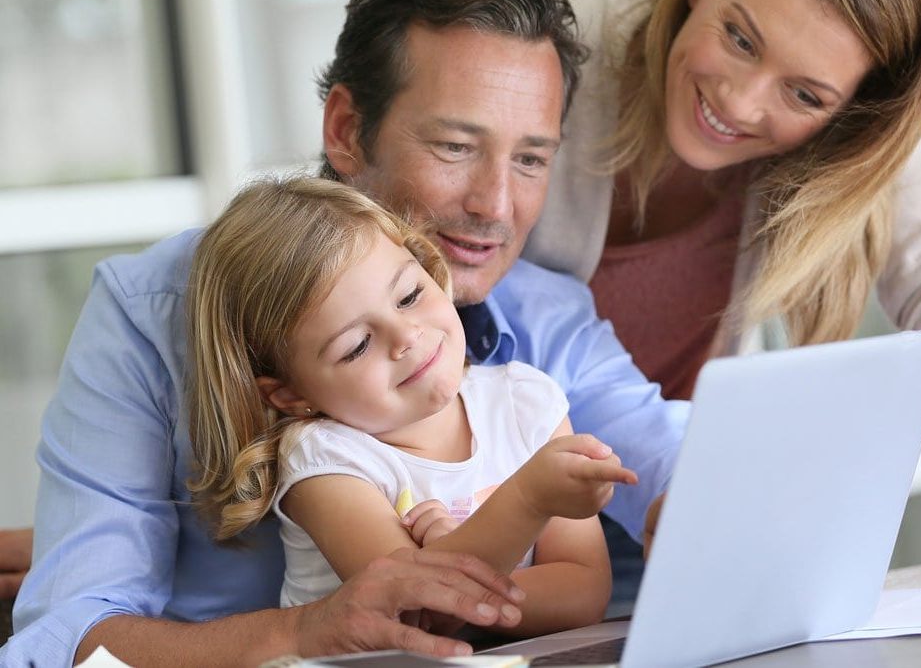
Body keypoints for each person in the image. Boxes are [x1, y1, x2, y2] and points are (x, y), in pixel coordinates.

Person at [2, 0, 687, 665]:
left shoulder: (545, 325)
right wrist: (303, 630)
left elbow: (675, 468)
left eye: (531, 158)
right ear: (345, 130)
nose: (496, 205)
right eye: (455, 146)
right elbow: (68, 641)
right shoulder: (150, 313)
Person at [524, 0, 921, 577]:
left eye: (805, 95)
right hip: (488, 503)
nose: (738, 101)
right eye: (739, 38)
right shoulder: (560, 38)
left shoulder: (866, 119)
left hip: (665, 503)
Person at [188, 176, 636, 637]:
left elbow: (583, 597)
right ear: (291, 395)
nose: (406, 338)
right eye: (357, 346)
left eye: (409, 296)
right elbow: (413, 613)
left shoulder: (525, 402)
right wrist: (527, 501)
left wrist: (458, 566)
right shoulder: (324, 460)